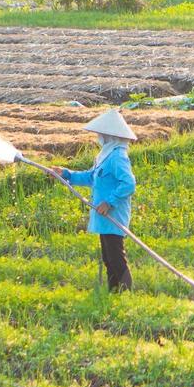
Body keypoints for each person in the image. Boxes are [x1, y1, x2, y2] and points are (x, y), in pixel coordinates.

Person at [52, 110, 138, 292]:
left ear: (109, 136)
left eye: (101, 134)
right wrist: (66, 174)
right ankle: (114, 293)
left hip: (112, 214)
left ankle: (126, 294)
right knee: (108, 258)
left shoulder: (117, 157)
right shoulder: (105, 156)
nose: (98, 137)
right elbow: (92, 177)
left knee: (116, 257)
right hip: (103, 216)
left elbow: (129, 183)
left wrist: (109, 202)